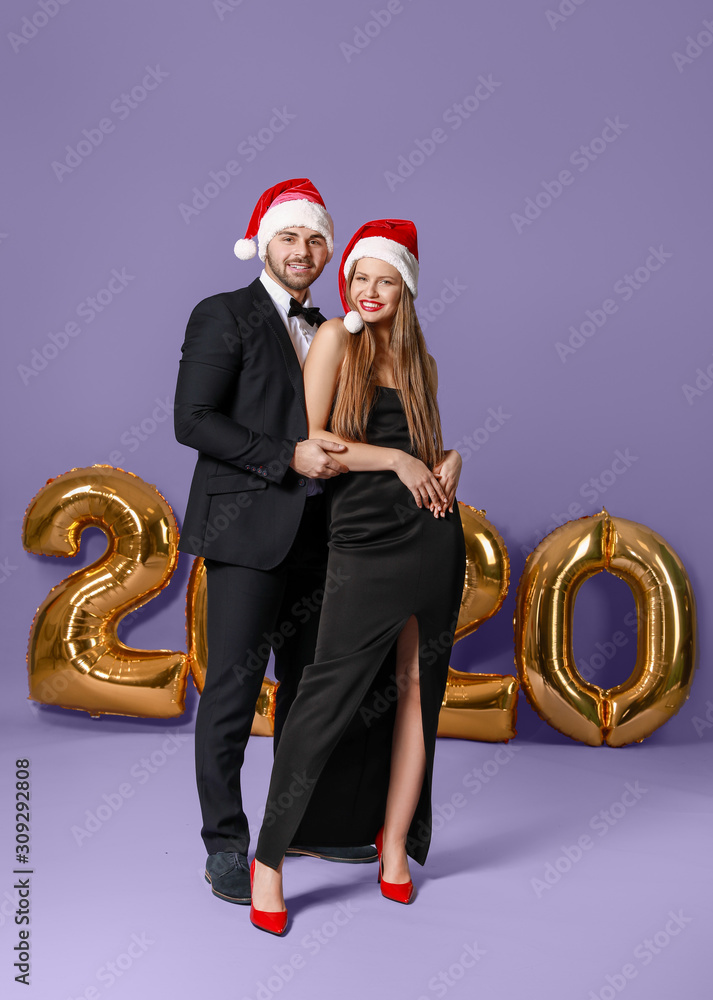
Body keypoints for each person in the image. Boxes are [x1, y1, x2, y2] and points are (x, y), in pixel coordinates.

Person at [249, 218, 466, 934]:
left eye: (384, 281)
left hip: (431, 540)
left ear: (404, 288)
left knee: (416, 698)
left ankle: (395, 847)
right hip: (361, 541)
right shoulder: (336, 342)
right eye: (359, 278)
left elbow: (426, 450)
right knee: (321, 698)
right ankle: (268, 861)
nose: (368, 291)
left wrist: (446, 462)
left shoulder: (423, 364)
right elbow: (314, 444)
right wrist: (396, 462)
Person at [174, 179, 377, 909]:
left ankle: (297, 827)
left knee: (309, 691)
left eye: (317, 239)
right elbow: (193, 420)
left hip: (322, 536)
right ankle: (225, 845)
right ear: (264, 241)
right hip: (245, 530)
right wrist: (285, 455)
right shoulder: (222, 315)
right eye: (291, 237)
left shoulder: (333, 327)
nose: (304, 251)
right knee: (230, 689)